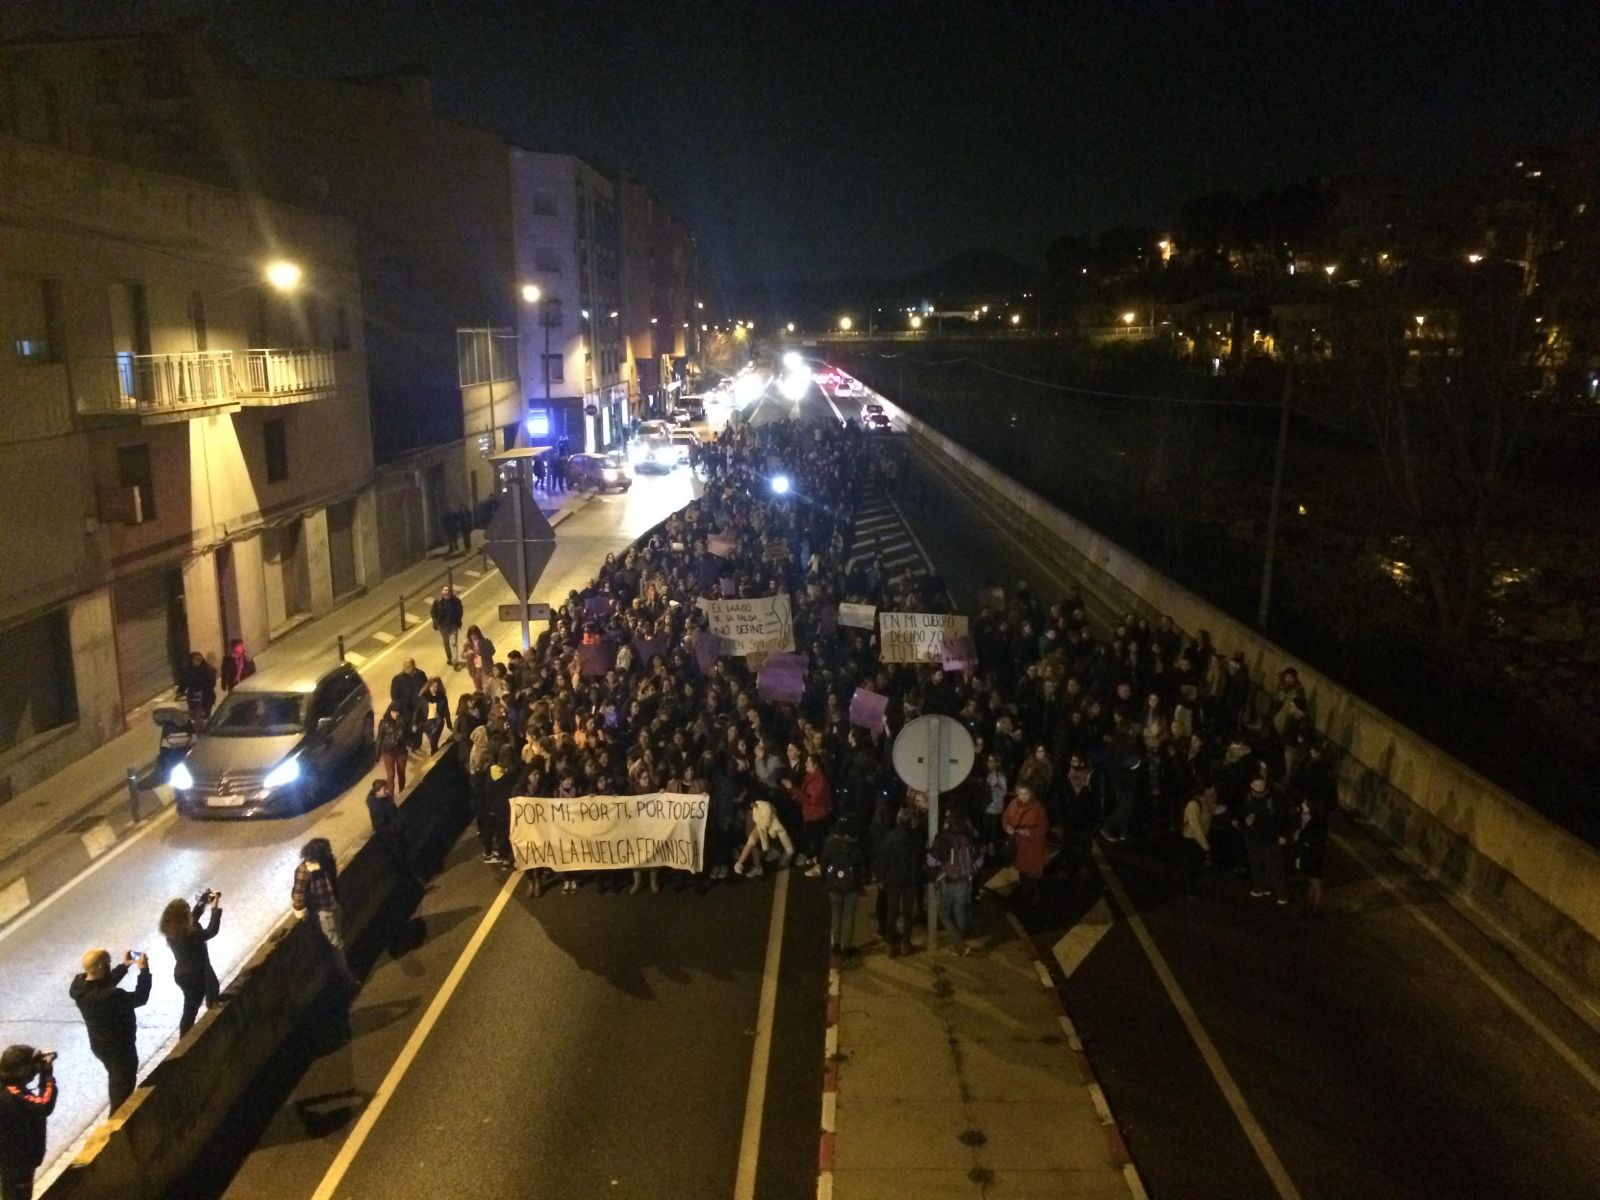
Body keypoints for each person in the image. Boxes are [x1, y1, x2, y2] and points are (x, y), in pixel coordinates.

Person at [68, 948, 151, 1112]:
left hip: (100, 1043)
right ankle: (117, 1122)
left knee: (116, 1079)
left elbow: (101, 983)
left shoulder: (79, 985)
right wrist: (144, 971)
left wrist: (124, 966)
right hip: (118, 1046)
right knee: (123, 1084)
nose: (108, 967)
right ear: (99, 967)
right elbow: (141, 998)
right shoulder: (110, 996)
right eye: (107, 964)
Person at [291, 838, 356, 988]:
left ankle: (344, 968)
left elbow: (332, 881)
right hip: (324, 912)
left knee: (339, 939)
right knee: (336, 945)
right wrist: (301, 911)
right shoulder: (304, 871)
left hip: (333, 905)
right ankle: (346, 977)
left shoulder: (327, 861)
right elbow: (298, 895)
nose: (329, 853)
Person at [159, 891, 222, 1036]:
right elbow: (211, 931)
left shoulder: (173, 930)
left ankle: (194, 1031)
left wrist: (203, 902)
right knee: (193, 1007)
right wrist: (215, 908)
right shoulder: (190, 933)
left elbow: (194, 916)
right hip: (196, 974)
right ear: (182, 918)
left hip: (184, 973)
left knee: (196, 1002)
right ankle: (190, 1037)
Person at [0, 1045, 56, 1200]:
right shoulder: (11, 1095)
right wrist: (47, 1075)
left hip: (10, 1158)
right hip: (17, 1160)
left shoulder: (6, 1087)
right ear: (20, 1071)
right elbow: (44, 1104)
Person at [928, 808, 982, 955]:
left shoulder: (943, 839)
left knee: (944, 914)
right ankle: (960, 943)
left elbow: (932, 861)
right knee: (960, 912)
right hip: (964, 881)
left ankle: (960, 945)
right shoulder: (968, 838)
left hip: (948, 881)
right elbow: (978, 860)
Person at [874, 807, 923, 957]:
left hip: (893, 880)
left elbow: (882, 860)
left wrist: (880, 877)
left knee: (892, 913)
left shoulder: (890, 837)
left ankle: (890, 945)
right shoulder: (916, 838)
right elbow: (920, 858)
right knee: (908, 914)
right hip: (910, 880)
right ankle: (905, 944)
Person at [819, 817, 867, 956]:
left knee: (836, 914)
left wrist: (824, 881)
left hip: (833, 885)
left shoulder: (831, 843)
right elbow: (862, 866)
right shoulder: (856, 846)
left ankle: (836, 944)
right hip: (852, 886)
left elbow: (824, 864)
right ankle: (846, 946)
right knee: (848, 916)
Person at [367, 779, 426, 889]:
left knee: (408, 857)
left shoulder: (384, 800)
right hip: (392, 839)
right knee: (404, 862)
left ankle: (419, 882)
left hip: (399, 834)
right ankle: (416, 885)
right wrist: (395, 828)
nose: (387, 791)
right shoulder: (376, 808)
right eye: (384, 789)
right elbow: (379, 827)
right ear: (377, 792)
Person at [1002, 784, 1049, 905]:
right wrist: (1007, 827)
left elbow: (1044, 826)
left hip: (1033, 846)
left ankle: (1035, 893)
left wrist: (1030, 832)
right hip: (1019, 844)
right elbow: (1005, 816)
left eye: (1026, 794)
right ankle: (1024, 889)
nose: (1022, 797)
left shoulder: (1038, 807)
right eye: (1020, 794)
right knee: (1022, 870)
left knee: (1034, 872)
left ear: (1031, 794)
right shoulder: (1013, 803)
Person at [732, 792, 795, 877]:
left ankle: (788, 853)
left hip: (772, 826)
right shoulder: (756, 809)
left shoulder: (765, 807)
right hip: (762, 827)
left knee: (785, 841)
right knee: (751, 841)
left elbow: (767, 821)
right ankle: (739, 863)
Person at [795, 755, 835, 877]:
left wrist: (793, 790)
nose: (806, 764)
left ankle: (820, 865)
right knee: (815, 839)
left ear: (815, 765)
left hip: (817, 815)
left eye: (808, 762)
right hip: (811, 814)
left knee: (818, 841)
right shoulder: (811, 776)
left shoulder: (819, 780)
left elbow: (813, 800)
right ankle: (818, 859)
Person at [390, 657, 428, 750]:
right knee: (406, 726)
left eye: (409, 666)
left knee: (418, 726)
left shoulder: (420, 675)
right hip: (405, 708)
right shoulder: (397, 679)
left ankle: (417, 743)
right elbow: (394, 694)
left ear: (414, 666)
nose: (407, 668)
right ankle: (408, 741)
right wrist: (398, 706)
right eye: (405, 666)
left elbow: (426, 688)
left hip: (418, 707)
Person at [175, 651, 216, 724]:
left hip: (207, 695)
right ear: (191, 660)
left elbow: (212, 683)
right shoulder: (187, 670)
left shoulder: (208, 669)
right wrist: (180, 691)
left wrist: (204, 688)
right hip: (193, 695)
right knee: (194, 712)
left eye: (200, 659)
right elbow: (183, 682)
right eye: (196, 659)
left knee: (206, 714)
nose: (198, 661)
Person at [376, 703, 410, 794]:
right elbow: (379, 739)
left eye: (397, 712)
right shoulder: (384, 723)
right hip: (388, 752)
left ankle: (402, 793)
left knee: (401, 774)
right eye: (393, 712)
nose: (395, 715)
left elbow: (408, 735)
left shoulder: (403, 721)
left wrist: (409, 743)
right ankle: (391, 797)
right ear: (390, 711)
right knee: (390, 775)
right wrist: (377, 754)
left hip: (401, 752)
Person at [416, 676, 452, 754]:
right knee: (433, 742)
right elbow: (417, 711)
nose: (434, 688)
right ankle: (434, 754)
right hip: (426, 722)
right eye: (432, 686)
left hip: (438, 723)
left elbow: (446, 711)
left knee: (434, 741)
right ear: (428, 686)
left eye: (436, 686)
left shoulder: (442, 697)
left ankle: (434, 754)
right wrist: (414, 723)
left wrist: (449, 725)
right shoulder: (424, 697)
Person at [431, 585, 464, 668]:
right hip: (442, 626)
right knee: (446, 642)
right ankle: (449, 657)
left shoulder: (456, 601)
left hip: (453, 625)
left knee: (453, 643)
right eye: (445, 590)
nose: (447, 592)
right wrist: (436, 623)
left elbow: (460, 611)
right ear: (442, 592)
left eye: (448, 590)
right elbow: (433, 613)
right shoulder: (437, 602)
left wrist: (458, 621)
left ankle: (455, 661)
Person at [463, 625, 496, 694]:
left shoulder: (486, 641)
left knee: (486, 689)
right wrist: (467, 654)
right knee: (478, 689)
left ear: (478, 633)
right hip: (474, 670)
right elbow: (462, 655)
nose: (474, 636)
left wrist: (481, 652)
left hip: (485, 668)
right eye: (472, 635)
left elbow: (492, 651)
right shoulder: (467, 644)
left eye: (475, 634)